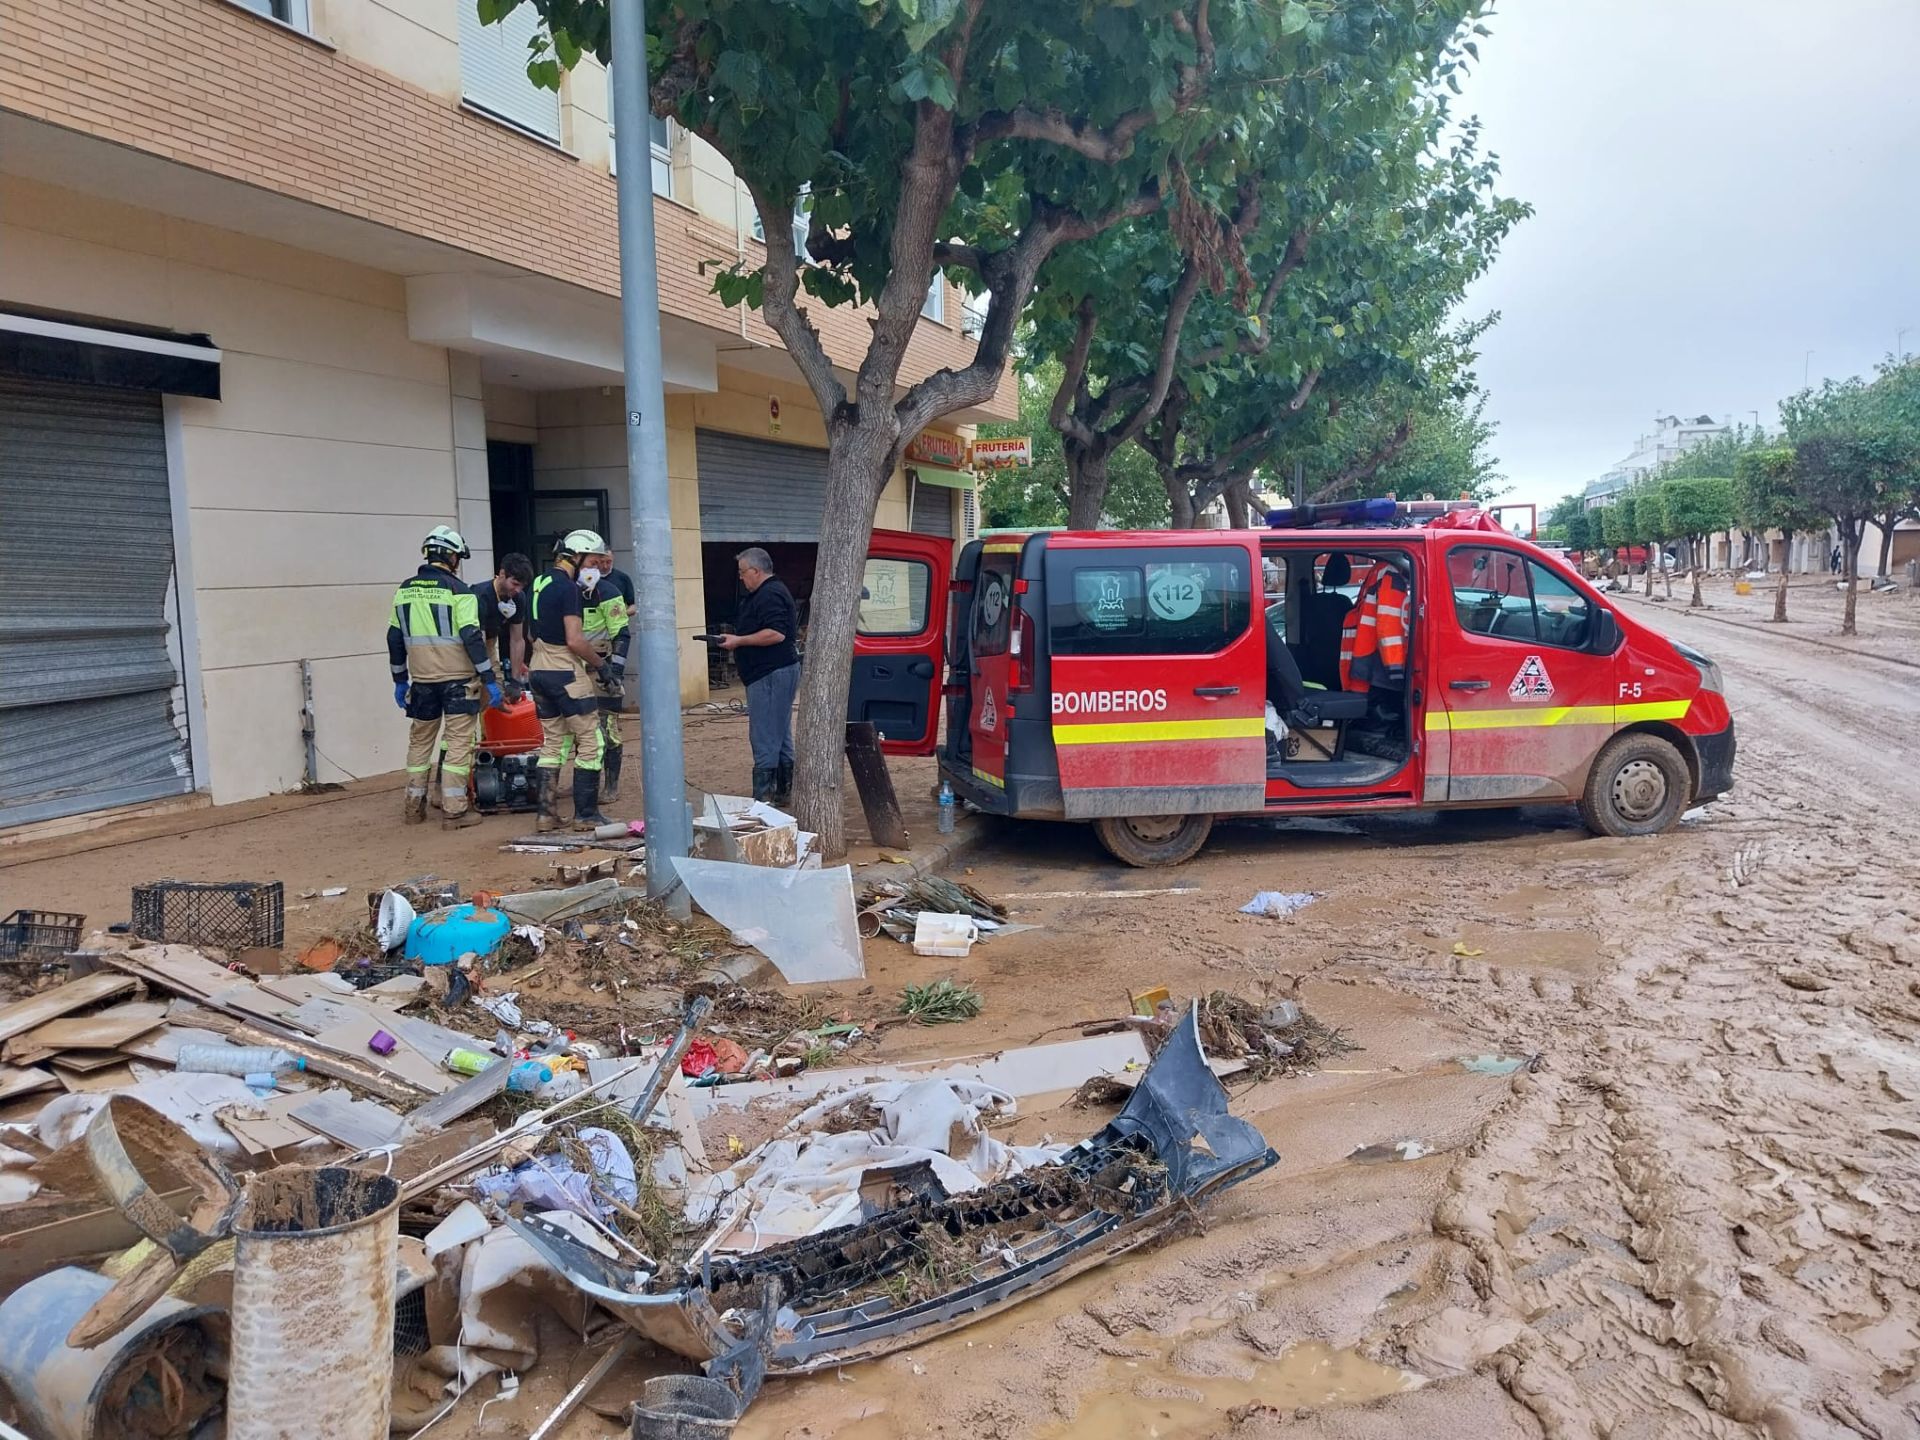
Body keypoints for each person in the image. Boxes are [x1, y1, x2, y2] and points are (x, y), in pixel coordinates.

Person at [387, 526, 501, 829]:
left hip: (422, 681)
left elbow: (394, 637)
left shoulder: (404, 590)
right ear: (450, 556)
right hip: (458, 682)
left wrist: (400, 679)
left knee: (420, 744)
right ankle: (455, 811)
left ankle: (414, 808)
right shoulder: (461, 591)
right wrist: (488, 676)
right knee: (458, 744)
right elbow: (470, 636)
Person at [528, 530, 619, 831]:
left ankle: (545, 815)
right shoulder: (568, 589)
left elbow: (530, 634)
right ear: (576, 556)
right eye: (592, 561)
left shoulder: (538, 583)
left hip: (538, 668)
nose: (594, 568)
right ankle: (586, 814)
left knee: (552, 743)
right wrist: (602, 665)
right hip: (565, 670)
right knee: (591, 740)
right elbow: (575, 640)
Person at [719, 546, 800, 804]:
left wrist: (739, 641)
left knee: (764, 733)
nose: (741, 578)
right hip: (769, 673)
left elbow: (776, 633)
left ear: (756, 571)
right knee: (779, 732)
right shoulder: (764, 593)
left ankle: (764, 798)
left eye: (743, 572)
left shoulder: (770, 594)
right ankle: (783, 790)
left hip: (770, 673)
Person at [580, 545, 635, 802]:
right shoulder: (566, 591)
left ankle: (611, 786)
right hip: (574, 669)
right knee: (579, 730)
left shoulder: (610, 591)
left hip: (603, 667)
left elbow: (621, 634)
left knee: (608, 728)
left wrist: (615, 672)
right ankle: (586, 783)